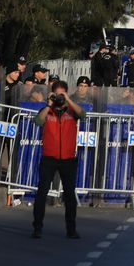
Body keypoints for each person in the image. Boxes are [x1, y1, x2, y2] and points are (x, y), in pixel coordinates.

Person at [31, 80, 83, 238]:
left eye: (62, 94)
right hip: (49, 158)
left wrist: (67, 99)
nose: (59, 98)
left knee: (69, 195)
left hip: (67, 158)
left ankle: (71, 229)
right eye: (57, 94)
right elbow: (38, 121)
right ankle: (37, 227)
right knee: (42, 193)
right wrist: (48, 105)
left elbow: (83, 114)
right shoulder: (47, 111)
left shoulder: (71, 111)